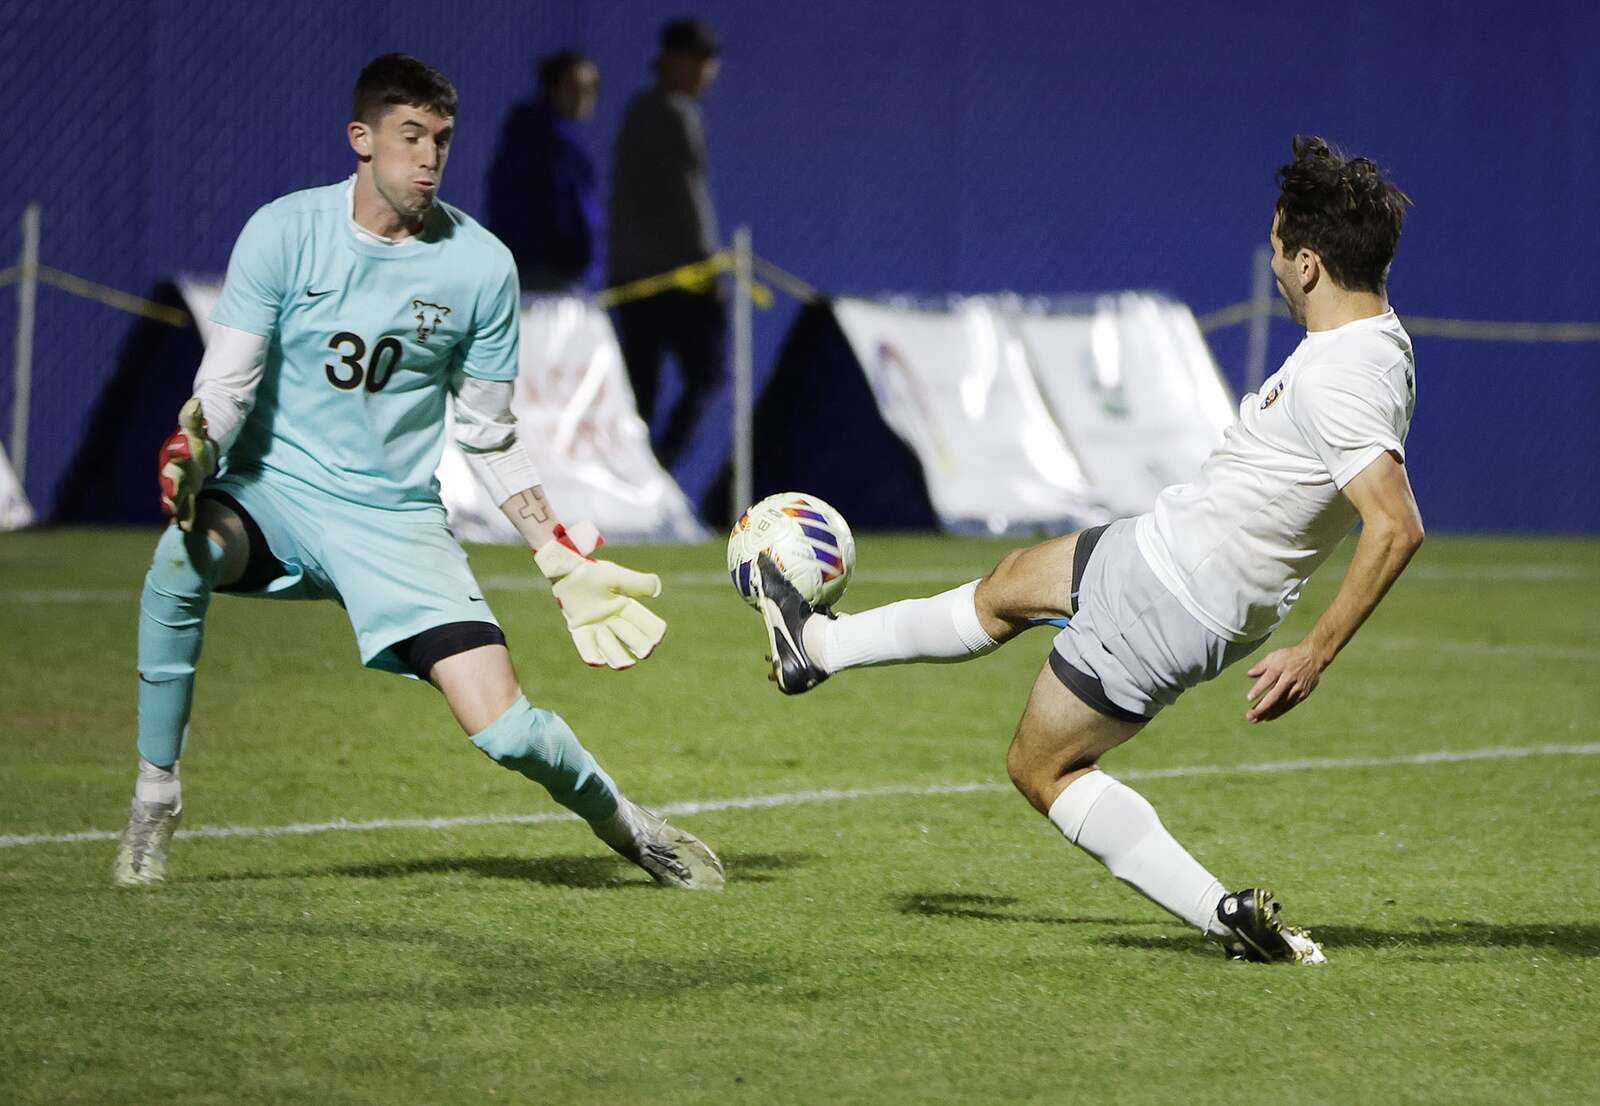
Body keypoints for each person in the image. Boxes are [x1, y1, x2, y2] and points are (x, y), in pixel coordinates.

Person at [751, 137, 1420, 963]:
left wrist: (1315, 653)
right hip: (1166, 551)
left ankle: (1226, 917)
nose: (1275, 264)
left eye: (1280, 248)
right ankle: (814, 648)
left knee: (1043, 769)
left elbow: (1395, 525)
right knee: (1006, 587)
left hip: (1174, 595)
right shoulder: (1377, 342)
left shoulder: (1342, 376)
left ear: (1312, 264)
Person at [113, 54, 723, 892]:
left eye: (441, 138)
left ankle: (630, 826)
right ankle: (156, 800)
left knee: (506, 731)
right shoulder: (284, 231)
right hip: (274, 493)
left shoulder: (479, 267)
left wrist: (554, 553)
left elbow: (488, 432)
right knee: (179, 560)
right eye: (410, 137)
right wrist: (196, 451)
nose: (429, 157)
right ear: (361, 140)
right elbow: (226, 385)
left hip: (396, 523)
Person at [607, 17, 725, 471]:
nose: (707, 70)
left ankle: (634, 475)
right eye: (698, 59)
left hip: (632, 275)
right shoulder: (675, 113)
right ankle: (657, 469)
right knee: (708, 372)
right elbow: (689, 195)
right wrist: (708, 264)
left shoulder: (638, 110)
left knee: (641, 388)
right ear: (673, 61)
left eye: (711, 61)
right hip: (672, 277)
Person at [486, 50, 602, 292]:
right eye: (574, 87)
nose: (582, 97)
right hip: (549, 277)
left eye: (590, 89)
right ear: (553, 88)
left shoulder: (538, 138)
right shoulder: (550, 146)